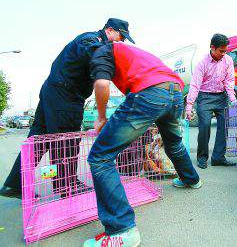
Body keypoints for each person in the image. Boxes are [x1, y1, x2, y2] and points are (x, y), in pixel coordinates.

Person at [0, 18, 134, 199]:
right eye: (121, 37)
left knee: (38, 140)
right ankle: (66, 185)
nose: (121, 42)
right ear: (109, 30)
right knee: (66, 141)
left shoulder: (92, 41)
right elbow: (95, 52)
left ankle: (14, 184)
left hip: (55, 92)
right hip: (65, 96)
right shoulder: (91, 40)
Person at [83, 41, 201, 247]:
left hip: (150, 92)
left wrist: (101, 117)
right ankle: (192, 179)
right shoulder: (132, 51)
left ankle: (122, 230)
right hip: (174, 91)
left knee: (100, 157)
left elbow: (101, 84)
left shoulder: (101, 50)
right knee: (173, 143)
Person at [185, 34, 237, 169]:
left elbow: (229, 80)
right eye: (221, 51)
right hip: (205, 97)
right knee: (204, 126)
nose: (223, 54)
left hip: (221, 97)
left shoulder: (228, 61)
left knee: (224, 126)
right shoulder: (202, 63)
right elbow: (195, 85)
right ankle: (202, 157)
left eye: (225, 51)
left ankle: (218, 158)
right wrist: (189, 106)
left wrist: (232, 98)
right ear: (212, 48)